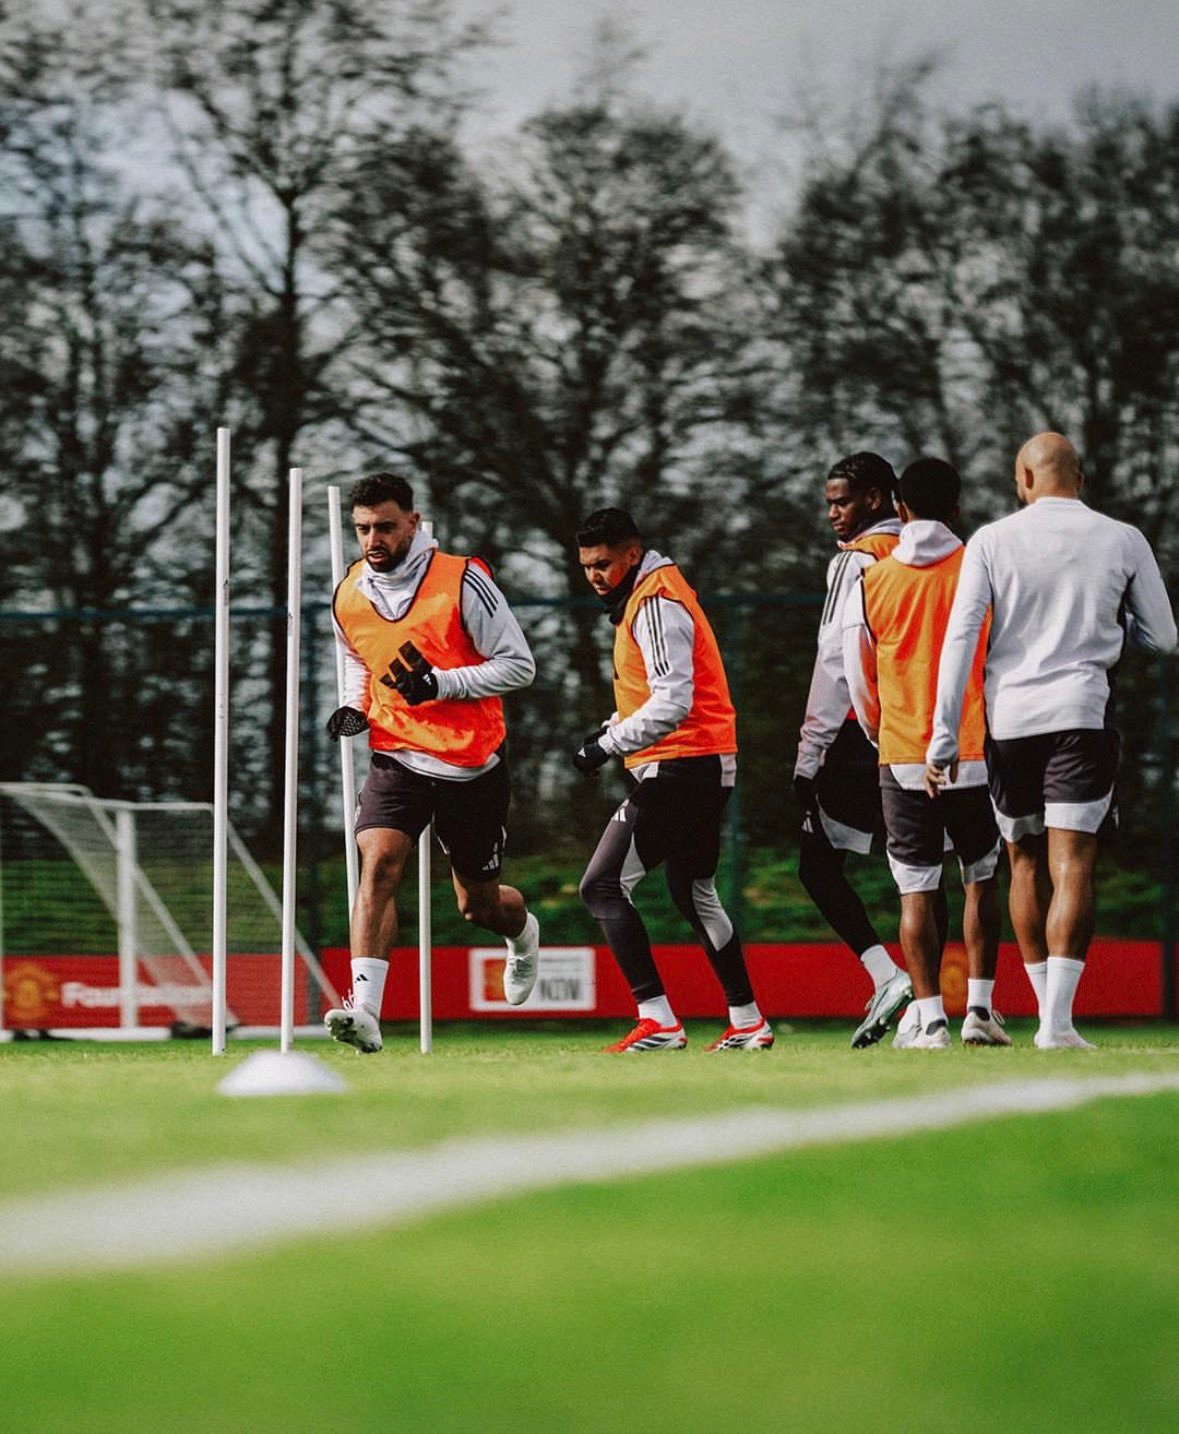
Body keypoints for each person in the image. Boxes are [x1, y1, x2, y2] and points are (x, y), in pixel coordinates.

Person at [927, 433, 1176, 1049]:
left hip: (1010, 723)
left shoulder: (991, 540)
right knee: (1074, 863)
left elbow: (962, 638)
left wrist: (943, 736)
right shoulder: (1122, 539)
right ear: (1080, 479)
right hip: (1081, 715)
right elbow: (1165, 638)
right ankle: (1056, 1023)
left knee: (1025, 862)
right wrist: (1115, 624)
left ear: (1024, 479)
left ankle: (1046, 1015)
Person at [323, 471, 540, 1053]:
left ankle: (523, 935)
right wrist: (354, 707)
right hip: (396, 753)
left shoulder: (462, 580)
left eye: (386, 526)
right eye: (363, 529)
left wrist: (441, 683)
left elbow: (519, 665)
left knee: (479, 906)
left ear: (414, 523)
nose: (374, 540)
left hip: (472, 763)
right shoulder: (348, 593)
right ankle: (365, 1011)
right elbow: (359, 659)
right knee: (378, 866)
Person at [573, 508, 771, 1053]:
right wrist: (612, 727)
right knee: (695, 892)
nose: (594, 576)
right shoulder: (646, 597)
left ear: (632, 554)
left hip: (683, 764)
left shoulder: (655, 601)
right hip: (700, 761)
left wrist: (605, 745)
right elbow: (658, 692)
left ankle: (657, 1019)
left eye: (603, 563)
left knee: (601, 886)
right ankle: (748, 1021)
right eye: (587, 566)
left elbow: (673, 702)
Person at [842, 458, 1006, 1050]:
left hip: (903, 752)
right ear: (957, 509)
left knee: (915, 889)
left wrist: (880, 731)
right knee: (981, 879)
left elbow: (857, 674)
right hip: (975, 749)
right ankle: (980, 1011)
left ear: (900, 509)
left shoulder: (872, 580)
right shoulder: (980, 573)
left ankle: (931, 1020)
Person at [794, 451, 920, 1048]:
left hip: (858, 732)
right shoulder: (927, 552)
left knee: (816, 865)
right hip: (926, 729)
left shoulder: (856, 561)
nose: (832, 514)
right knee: (922, 871)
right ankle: (944, 1007)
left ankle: (888, 976)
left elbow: (834, 660)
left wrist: (808, 753)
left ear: (874, 498)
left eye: (841, 502)